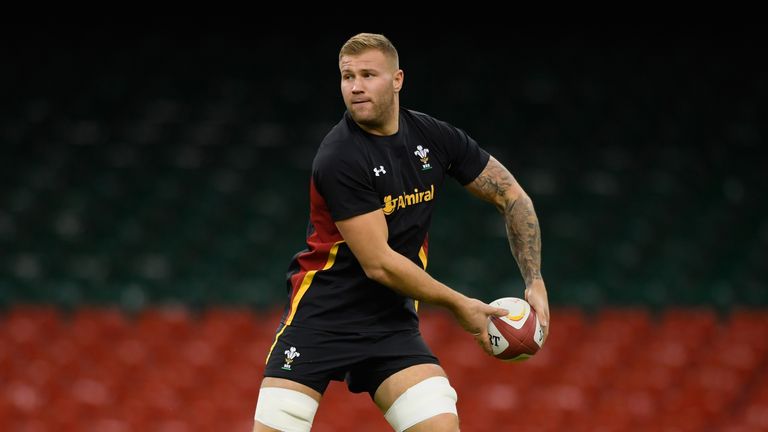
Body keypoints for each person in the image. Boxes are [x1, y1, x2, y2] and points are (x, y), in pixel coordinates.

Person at [253, 32, 550, 432]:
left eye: (368, 74)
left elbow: (512, 195)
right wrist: (461, 304)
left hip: (391, 323)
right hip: (320, 318)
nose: (355, 86)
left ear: (397, 80)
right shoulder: (339, 156)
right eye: (347, 76)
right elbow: (379, 264)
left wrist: (534, 280)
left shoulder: (434, 137)